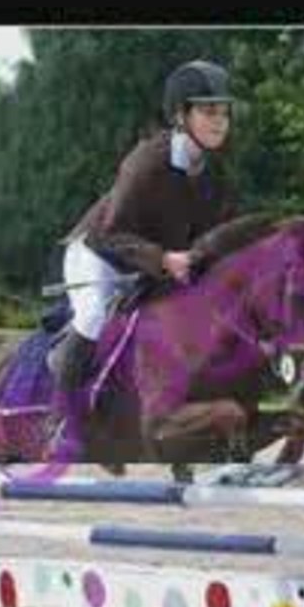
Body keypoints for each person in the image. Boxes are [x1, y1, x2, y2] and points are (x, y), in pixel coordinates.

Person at [47, 59, 244, 391]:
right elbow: (110, 233)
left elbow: (215, 236)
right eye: (209, 112)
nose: (220, 122)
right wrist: (165, 259)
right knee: (94, 316)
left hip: (153, 267)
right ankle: (62, 414)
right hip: (98, 255)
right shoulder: (147, 161)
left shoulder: (216, 173)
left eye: (224, 113)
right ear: (181, 116)